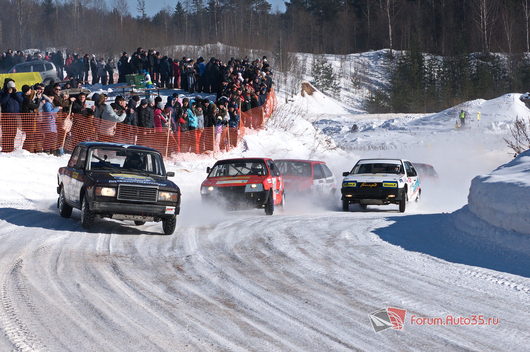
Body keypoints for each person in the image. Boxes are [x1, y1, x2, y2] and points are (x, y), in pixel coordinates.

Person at [0, 79, 23, 152]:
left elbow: (21, 101)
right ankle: (5, 149)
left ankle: (11, 149)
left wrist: (14, 93)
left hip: (15, 117)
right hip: (6, 117)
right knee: (6, 133)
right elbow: (2, 102)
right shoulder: (2, 93)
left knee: (13, 133)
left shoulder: (16, 94)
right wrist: (8, 93)